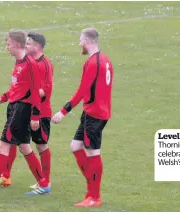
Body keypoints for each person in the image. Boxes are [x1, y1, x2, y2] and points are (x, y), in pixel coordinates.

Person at [0, 29, 51, 197]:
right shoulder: (19, 62)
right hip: (15, 107)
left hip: (21, 110)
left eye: (8, 45)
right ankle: (43, 184)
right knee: (24, 147)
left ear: (15, 45)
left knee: (3, 145)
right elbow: (17, 88)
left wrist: (35, 117)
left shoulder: (30, 65)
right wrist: (3, 98)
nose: (7, 48)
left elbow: (36, 92)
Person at [52, 28, 113, 208]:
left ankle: (94, 197)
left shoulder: (92, 63)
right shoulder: (105, 59)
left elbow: (82, 91)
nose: (79, 43)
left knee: (93, 153)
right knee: (75, 146)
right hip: (95, 111)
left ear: (87, 41)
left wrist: (62, 112)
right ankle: (91, 190)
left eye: (80, 40)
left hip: (94, 114)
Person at [0, 32, 54, 190]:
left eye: (28, 44)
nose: (25, 46)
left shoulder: (44, 64)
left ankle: (45, 181)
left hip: (40, 112)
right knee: (13, 141)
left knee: (40, 145)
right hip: (23, 109)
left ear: (37, 47)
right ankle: (6, 176)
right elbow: (18, 88)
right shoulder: (25, 63)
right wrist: (6, 98)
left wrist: (30, 97)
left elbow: (46, 89)